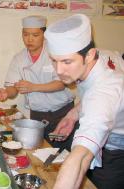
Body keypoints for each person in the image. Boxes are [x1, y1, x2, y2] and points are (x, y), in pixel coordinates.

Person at [44, 14, 124, 189]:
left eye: (66, 62)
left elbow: (80, 157)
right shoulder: (102, 57)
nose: (59, 70)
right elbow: (90, 93)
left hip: (118, 147)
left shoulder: (103, 92)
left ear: (89, 55)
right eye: (54, 60)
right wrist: (73, 115)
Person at [0, 15, 75, 149]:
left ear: (44, 34)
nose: (29, 39)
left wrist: (33, 87)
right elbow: (13, 88)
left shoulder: (55, 53)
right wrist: (6, 93)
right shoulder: (19, 58)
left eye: (35, 35)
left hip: (62, 114)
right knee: (41, 153)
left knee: (62, 155)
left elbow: (62, 83)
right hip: (37, 116)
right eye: (26, 35)